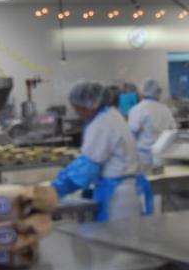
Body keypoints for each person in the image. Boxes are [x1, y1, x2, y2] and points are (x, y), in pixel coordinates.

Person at [51, 80, 152, 222]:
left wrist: (55, 190)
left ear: (88, 105)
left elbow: (87, 167)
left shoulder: (101, 123)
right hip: (126, 190)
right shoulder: (112, 114)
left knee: (114, 234)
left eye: (77, 108)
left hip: (117, 196)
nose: (77, 113)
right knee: (124, 234)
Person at [128, 78, 178, 171]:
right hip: (162, 156)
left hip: (144, 158)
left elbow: (131, 135)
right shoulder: (165, 110)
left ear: (142, 92)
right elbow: (174, 130)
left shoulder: (138, 109)